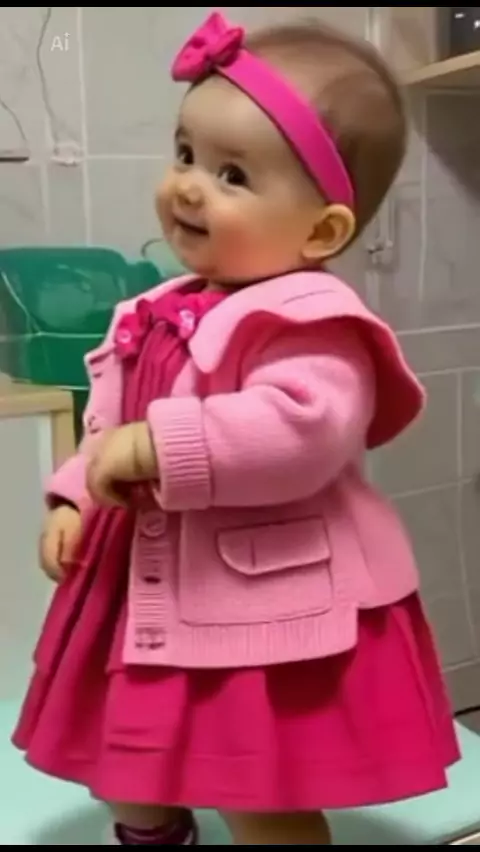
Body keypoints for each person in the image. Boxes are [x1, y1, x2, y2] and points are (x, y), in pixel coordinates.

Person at [13, 11, 459, 846]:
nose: (188, 186)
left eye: (232, 175)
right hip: (143, 595)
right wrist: (75, 496)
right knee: (124, 770)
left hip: (255, 615)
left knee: (258, 793)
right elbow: (108, 425)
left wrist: (163, 444)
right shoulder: (152, 309)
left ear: (322, 230)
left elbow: (302, 432)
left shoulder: (312, 320)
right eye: (186, 154)